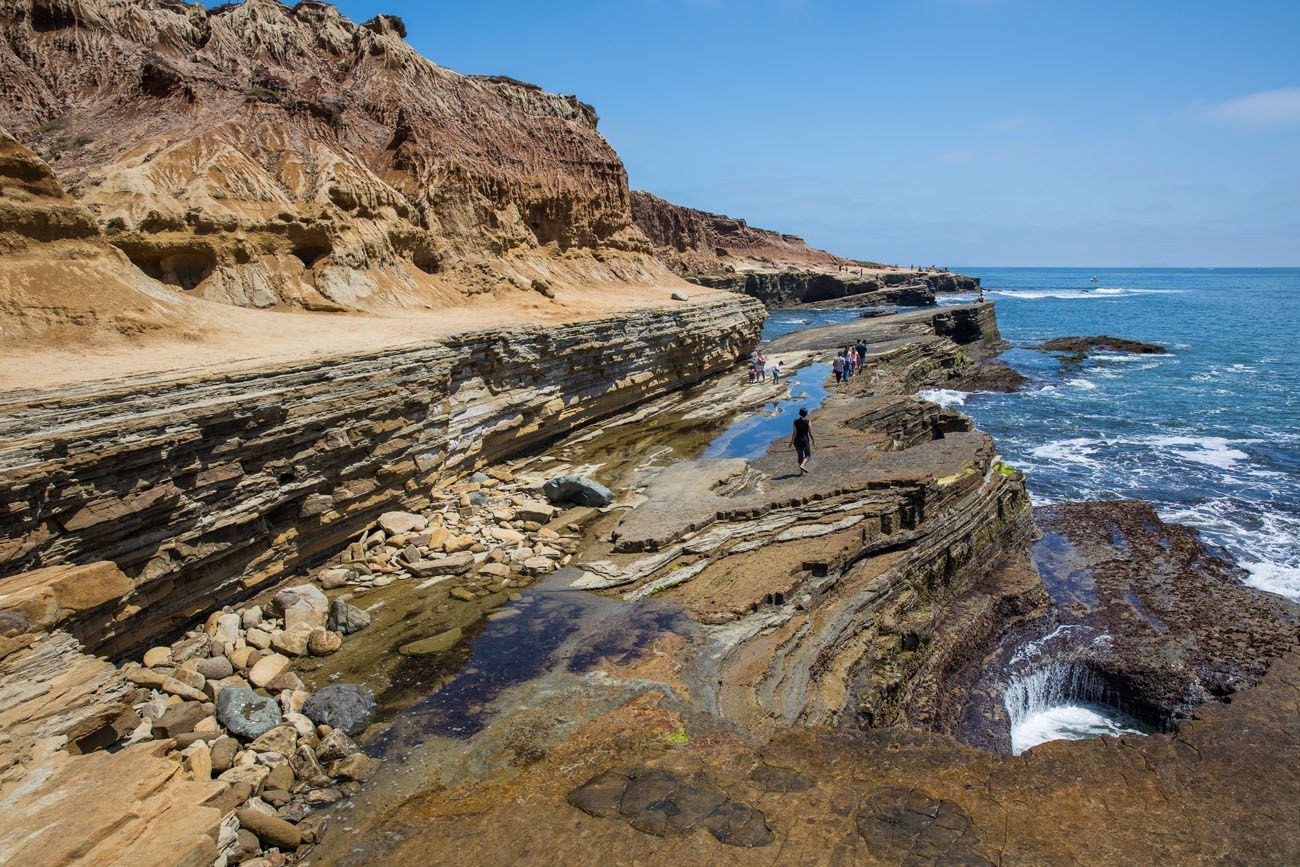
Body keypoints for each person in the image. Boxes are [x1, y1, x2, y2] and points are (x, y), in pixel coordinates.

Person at [791, 407, 814, 474]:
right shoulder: (808, 421)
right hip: (805, 441)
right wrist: (813, 440)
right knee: (808, 455)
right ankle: (803, 465)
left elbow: (794, 433)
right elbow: (810, 432)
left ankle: (801, 472)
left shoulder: (795, 422)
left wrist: (791, 442)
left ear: (799, 414)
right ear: (806, 414)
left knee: (800, 456)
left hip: (796, 442)